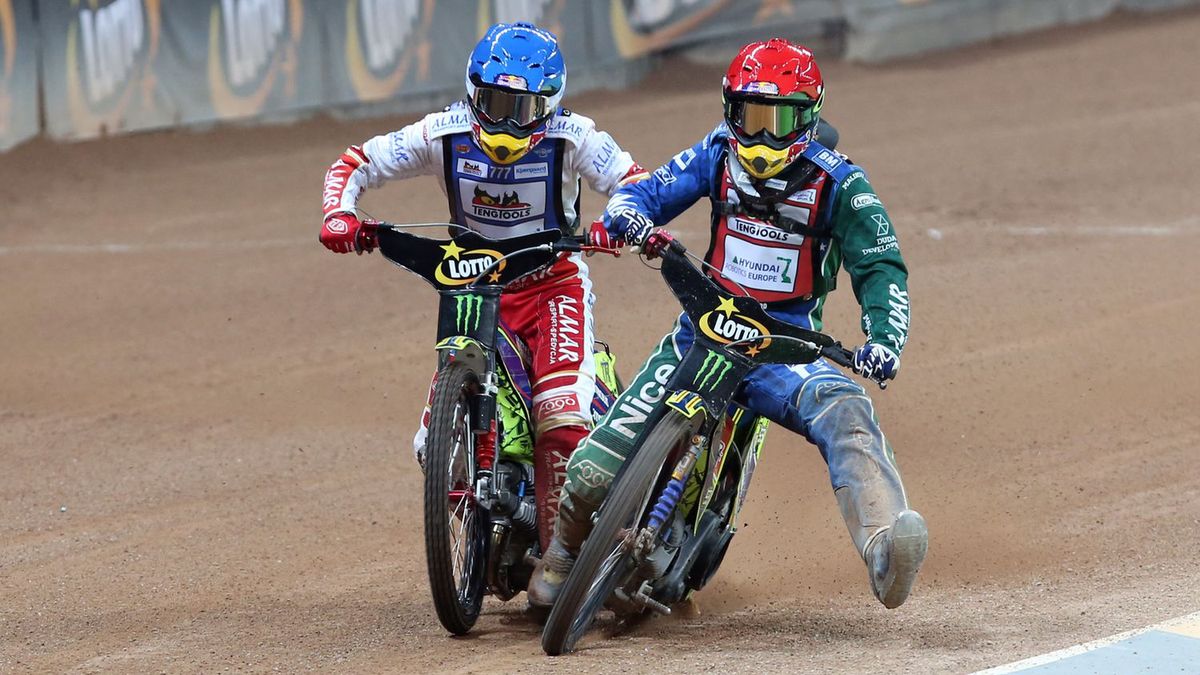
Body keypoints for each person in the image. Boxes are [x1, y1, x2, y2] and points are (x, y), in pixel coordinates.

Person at [528, 38, 927, 610]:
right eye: (749, 116)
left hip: (786, 350)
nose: (761, 136)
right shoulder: (717, 153)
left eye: (778, 120)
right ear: (728, 110)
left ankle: (885, 549)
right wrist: (627, 215)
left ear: (809, 116)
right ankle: (563, 553)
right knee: (590, 471)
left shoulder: (843, 186)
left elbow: (881, 267)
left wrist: (885, 341)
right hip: (701, 331)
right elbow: (650, 189)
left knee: (848, 412)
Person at [319, 22, 648, 554]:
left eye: (522, 110)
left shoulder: (576, 137)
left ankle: (562, 558)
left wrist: (620, 220)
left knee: (560, 416)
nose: (505, 122)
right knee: (434, 448)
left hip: (551, 286)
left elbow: (636, 183)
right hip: (472, 288)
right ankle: (492, 533)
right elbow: (355, 162)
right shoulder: (441, 132)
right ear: (472, 93)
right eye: (493, 103)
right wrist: (340, 213)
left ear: (550, 106)